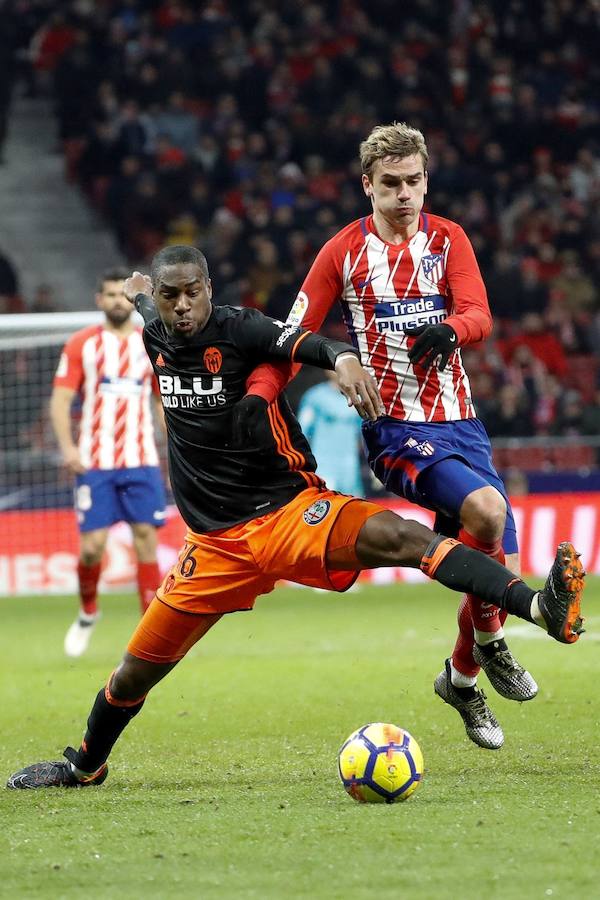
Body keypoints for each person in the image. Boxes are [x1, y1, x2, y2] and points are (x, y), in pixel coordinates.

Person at [6, 245, 584, 790]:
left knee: (401, 537)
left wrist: (343, 359)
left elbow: (306, 342)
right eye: (169, 296)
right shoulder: (154, 327)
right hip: (212, 546)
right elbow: (137, 292)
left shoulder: (240, 328)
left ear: (209, 289)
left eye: (191, 293)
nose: (182, 307)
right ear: (156, 299)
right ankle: (84, 766)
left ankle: (535, 605)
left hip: (288, 511)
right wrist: (137, 287)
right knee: (135, 673)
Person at [241, 122, 538, 750]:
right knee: (488, 511)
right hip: (396, 430)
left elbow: (480, 313)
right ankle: (491, 644)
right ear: (367, 186)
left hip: (462, 423)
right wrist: (259, 396)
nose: (404, 195)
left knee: (485, 549)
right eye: (391, 184)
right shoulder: (341, 253)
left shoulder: (448, 239)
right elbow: (291, 335)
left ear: (426, 182)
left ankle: (460, 677)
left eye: (414, 183)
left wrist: (454, 330)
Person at [50, 268, 167, 657]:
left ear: (133, 300)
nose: (119, 301)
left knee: (146, 541)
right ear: (99, 300)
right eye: (111, 295)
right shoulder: (82, 344)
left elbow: (160, 399)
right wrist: (68, 448)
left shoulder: (149, 341)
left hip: (140, 459)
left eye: (124, 295)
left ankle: (150, 635)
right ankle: (87, 613)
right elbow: (62, 400)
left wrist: (175, 441)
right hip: (95, 461)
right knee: (91, 549)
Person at [297, 370, 364, 495]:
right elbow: (302, 433)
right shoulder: (314, 397)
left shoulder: (358, 398)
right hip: (322, 467)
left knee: (354, 509)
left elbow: (362, 436)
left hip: (350, 470)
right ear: (326, 370)